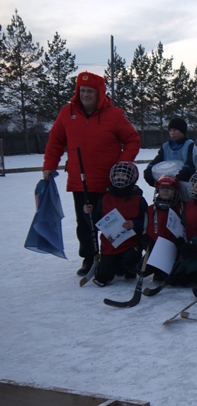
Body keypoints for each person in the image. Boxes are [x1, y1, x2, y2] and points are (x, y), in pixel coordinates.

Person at [42, 71, 141, 276]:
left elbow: (133, 140)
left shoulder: (114, 115)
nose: (85, 94)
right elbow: (55, 142)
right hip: (80, 181)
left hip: (110, 183)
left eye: (90, 91)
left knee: (111, 222)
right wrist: (49, 165)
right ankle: (88, 258)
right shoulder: (66, 112)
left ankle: (113, 257)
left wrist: (122, 166)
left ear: (100, 93)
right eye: (82, 90)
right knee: (85, 224)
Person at [84, 161, 147, 287]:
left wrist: (135, 224)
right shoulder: (105, 198)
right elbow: (97, 222)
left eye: (123, 175)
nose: (119, 177)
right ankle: (115, 265)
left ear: (131, 177)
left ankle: (128, 266)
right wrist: (88, 214)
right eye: (117, 175)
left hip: (130, 243)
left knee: (131, 259)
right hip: (110, 244)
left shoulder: (139, 199)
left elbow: (146, 223)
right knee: (102, 278)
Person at [141, 174, 185, 282]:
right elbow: (144, 229)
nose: (165, 191)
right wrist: (145, 240)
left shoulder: (180, 208)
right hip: (154, 248)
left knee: (171, 279)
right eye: (163, 188)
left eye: (169, 189)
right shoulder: (150, 209)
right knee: (141, 269)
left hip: (173, 249)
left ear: (175, 191)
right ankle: (156, 270)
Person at [143, 117, 195, 192]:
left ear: (182, 131)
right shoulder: (166, 146)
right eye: (170, 130)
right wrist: (149, 169)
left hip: (184, 182)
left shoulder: (190, 144)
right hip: (167, 183)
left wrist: (184, 172)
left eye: (175, 130)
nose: (172, 133)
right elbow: (158, 160)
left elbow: (190, 162)